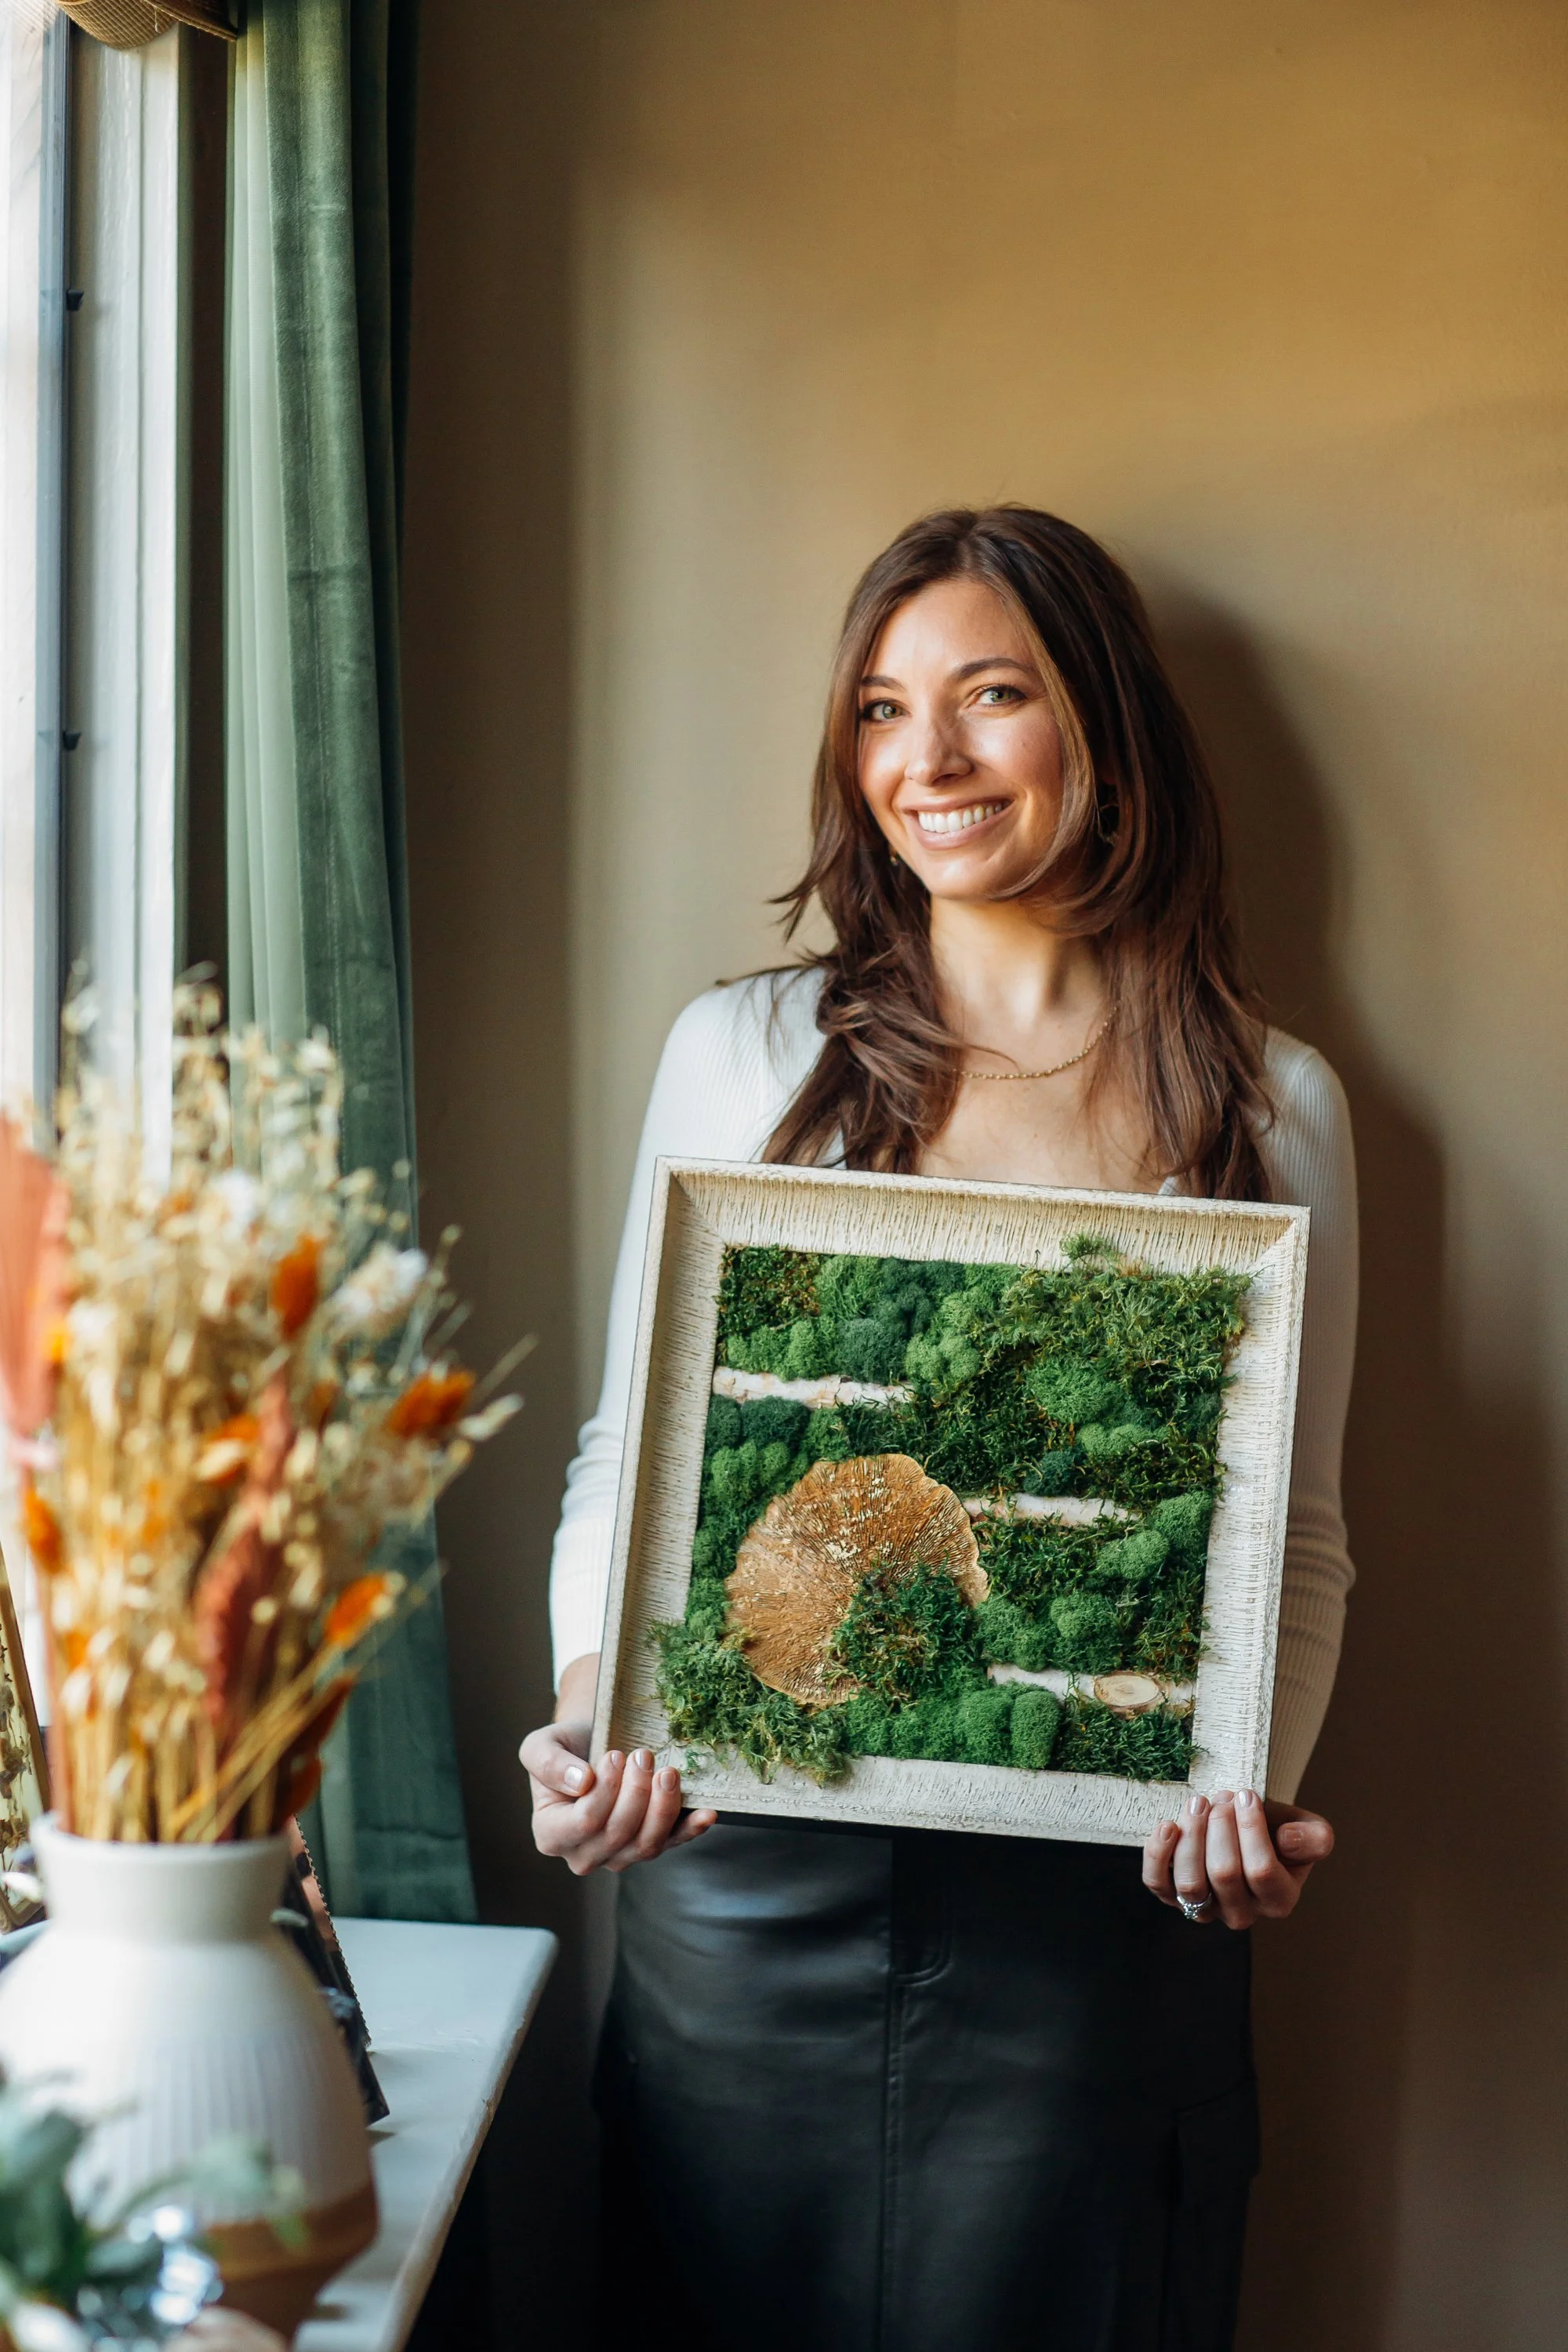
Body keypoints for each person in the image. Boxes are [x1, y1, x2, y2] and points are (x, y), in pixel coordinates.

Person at [521, 507, 1356, 2352]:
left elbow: (1294, 1534)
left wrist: (1242, 1783)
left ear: (1105, 727)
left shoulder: (1268, 1102)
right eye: (885, 712)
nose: (931, 762)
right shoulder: (745, 1053)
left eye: (993, 697)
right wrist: (596, 1712)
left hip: (1094, 1928)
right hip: (740, 1881)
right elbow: (628, 1453)